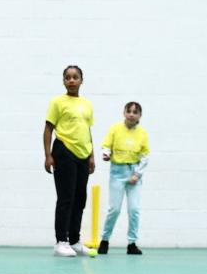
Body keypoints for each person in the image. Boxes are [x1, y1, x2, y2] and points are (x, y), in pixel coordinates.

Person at [43, 65, 94, 257]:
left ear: (81, 80)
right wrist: (48, 155)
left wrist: (92, 155)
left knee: (80, 199)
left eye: (75, 77)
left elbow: (87, 130)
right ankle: (61, 241)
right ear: (63, 81)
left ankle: (74, 240)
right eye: (67, 77)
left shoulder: (87, 104)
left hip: (83, 154)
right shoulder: (57, 102)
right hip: (64, 151)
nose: (71, 80)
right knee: (66, 198)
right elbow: (48, 128)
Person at [98, 101, 150, 255]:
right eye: (129, 111)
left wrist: (137, 174)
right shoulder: (115, 129)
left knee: (134, 210)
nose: (131, 114)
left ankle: (132, 243)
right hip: (117, 173)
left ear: (140, 115)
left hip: (134, 173)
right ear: (124, 113)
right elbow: (106, 145)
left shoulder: (142, 133)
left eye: (135, 112)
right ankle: (105, 240)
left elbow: (145, 156)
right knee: (114, 209)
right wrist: (106, 153)